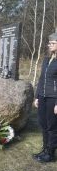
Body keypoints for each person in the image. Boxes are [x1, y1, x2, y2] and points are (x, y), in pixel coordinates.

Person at [33, 30, 57, 163]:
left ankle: (51, 153)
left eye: (53, 43)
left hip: (53, 98)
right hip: (42, 96)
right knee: (43, 124)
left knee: (52, 126)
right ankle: (45, 149)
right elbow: (41, 78)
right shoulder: (47, 59)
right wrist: (37, 96)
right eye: (49, 43)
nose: (50, 45)